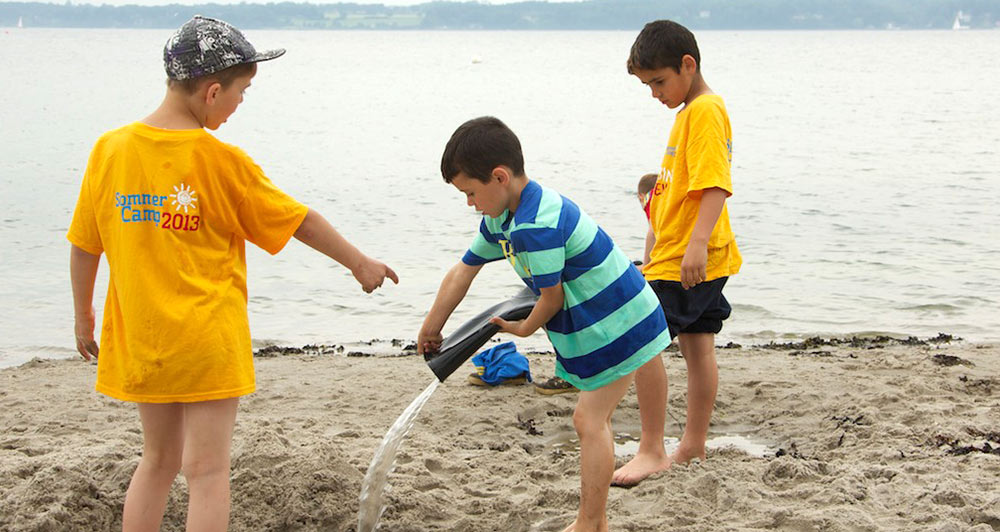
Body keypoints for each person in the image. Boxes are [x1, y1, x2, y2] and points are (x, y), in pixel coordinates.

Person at [67, 16, 397, 531]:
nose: (243, 102)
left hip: (142, 336)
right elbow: (298, 221)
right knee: (207, 470)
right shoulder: (221, 161)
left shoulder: (109, 150)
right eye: (243, 91)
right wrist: (359, 262)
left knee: (156, 462)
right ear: (213, 91)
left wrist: (83, 317)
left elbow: (84, 245)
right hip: (206, 341)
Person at [418, 116, 671, 532]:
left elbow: (550, 301)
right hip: (615, 311)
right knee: (596, 414)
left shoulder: (537, 224)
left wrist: (522, 329)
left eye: (470, 192)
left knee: (589, 420)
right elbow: (464, 270)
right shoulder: (504, 216)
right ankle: (615, 496)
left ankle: (591, 523)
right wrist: (433, 326)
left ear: (499, 177)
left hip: (617, 320)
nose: (469, 203)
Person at [611, 19, 742, 488]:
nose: (654, 94)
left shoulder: (704, 110)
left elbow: (714, 186)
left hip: (692, 257)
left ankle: (651, 449)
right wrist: (654, 249)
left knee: (641, 338)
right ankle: (692, 445)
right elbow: (672, 193)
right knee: (698, 345)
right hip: (686, 255)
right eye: (647, 86)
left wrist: (695, 246)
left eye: (659, 82)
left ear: (688, 65)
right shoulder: (689, 113)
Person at [533, 171, 659, 397]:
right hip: (667, 271)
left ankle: (576, 374)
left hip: (661, 275)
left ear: (642, 197)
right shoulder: (671, 202)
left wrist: (646, 268)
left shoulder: (653, 202)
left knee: (648, 346)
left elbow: (653, 232)